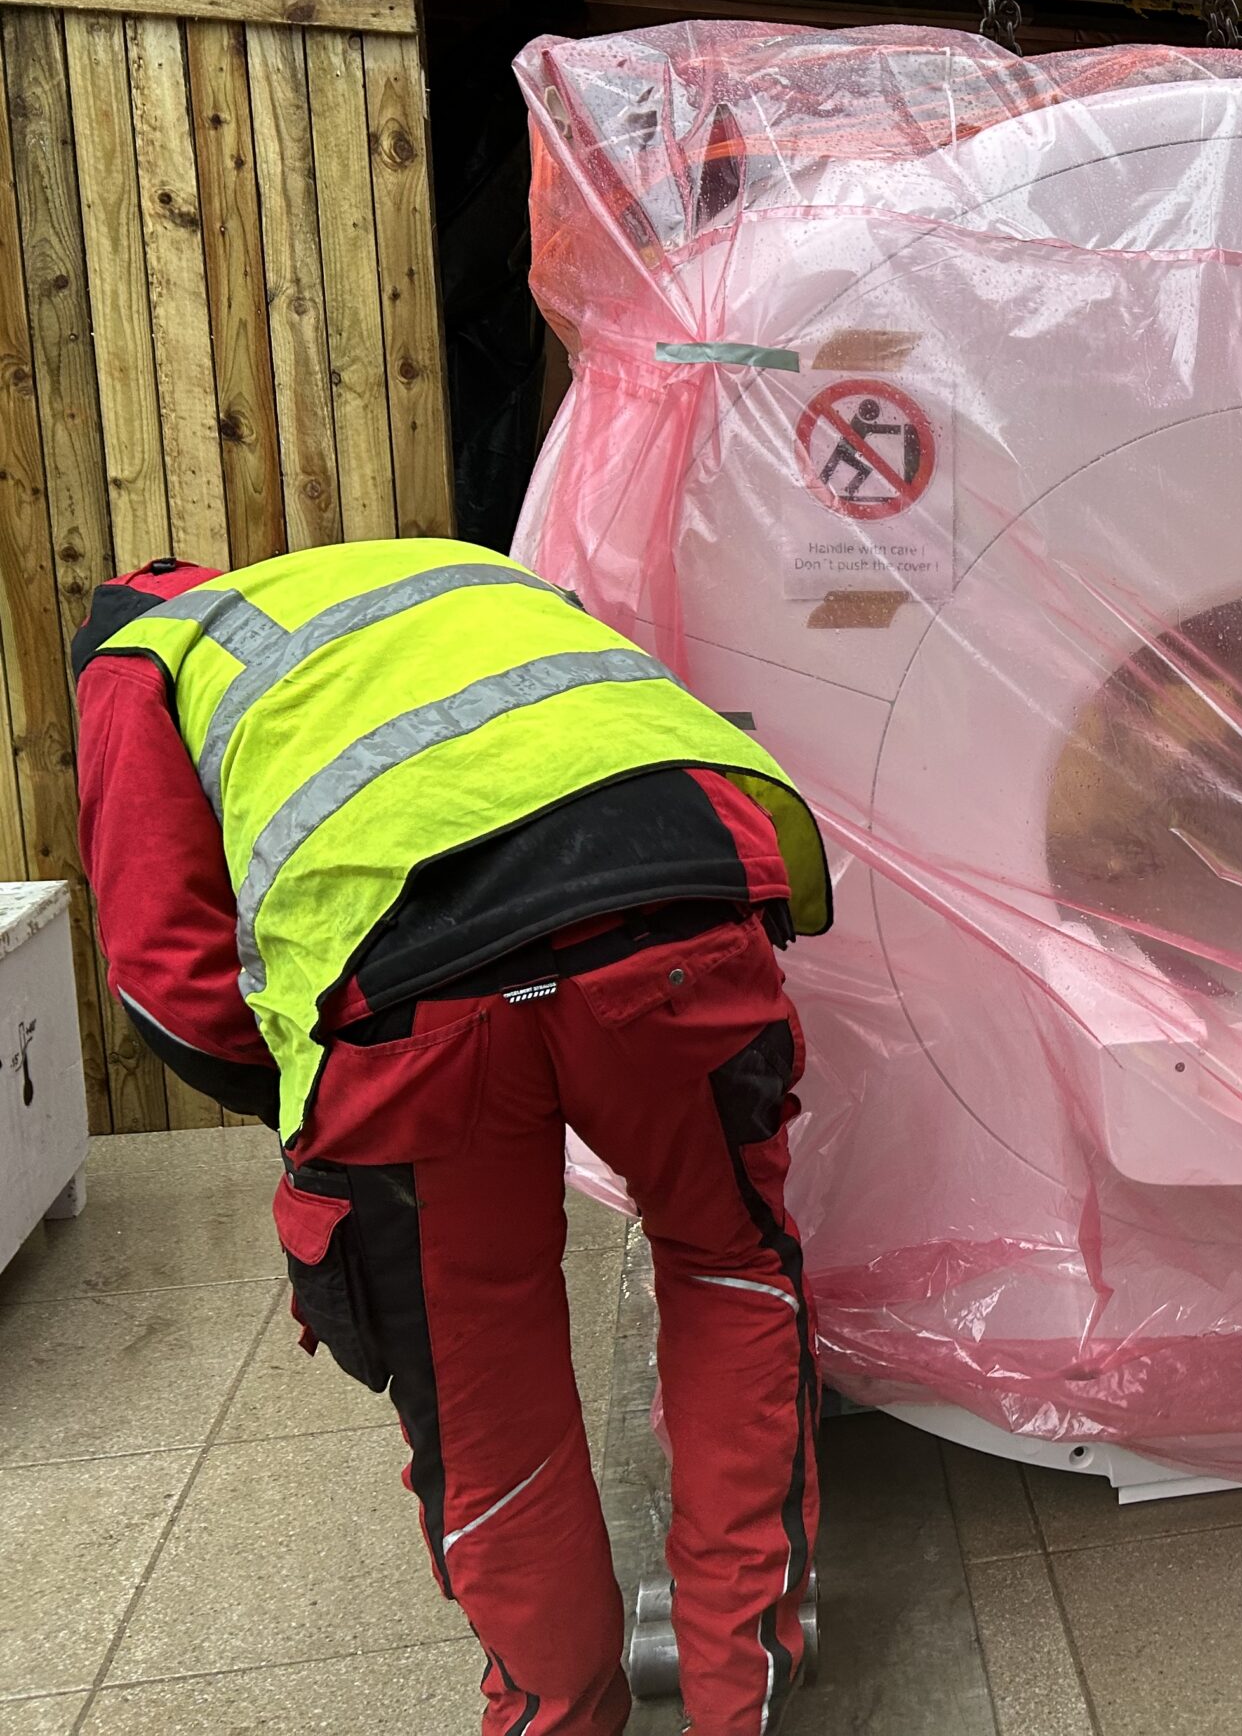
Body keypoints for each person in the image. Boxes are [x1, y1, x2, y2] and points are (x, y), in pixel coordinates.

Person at [73, 538, 834, 1736]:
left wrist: (305, 1103)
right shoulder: (449, 574)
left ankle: (556, 1710)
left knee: (484, 1382)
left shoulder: (139, 654)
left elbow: (170, 979)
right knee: (729, 1268)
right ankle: (744, 1688)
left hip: (412, 1020)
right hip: (682, 921)